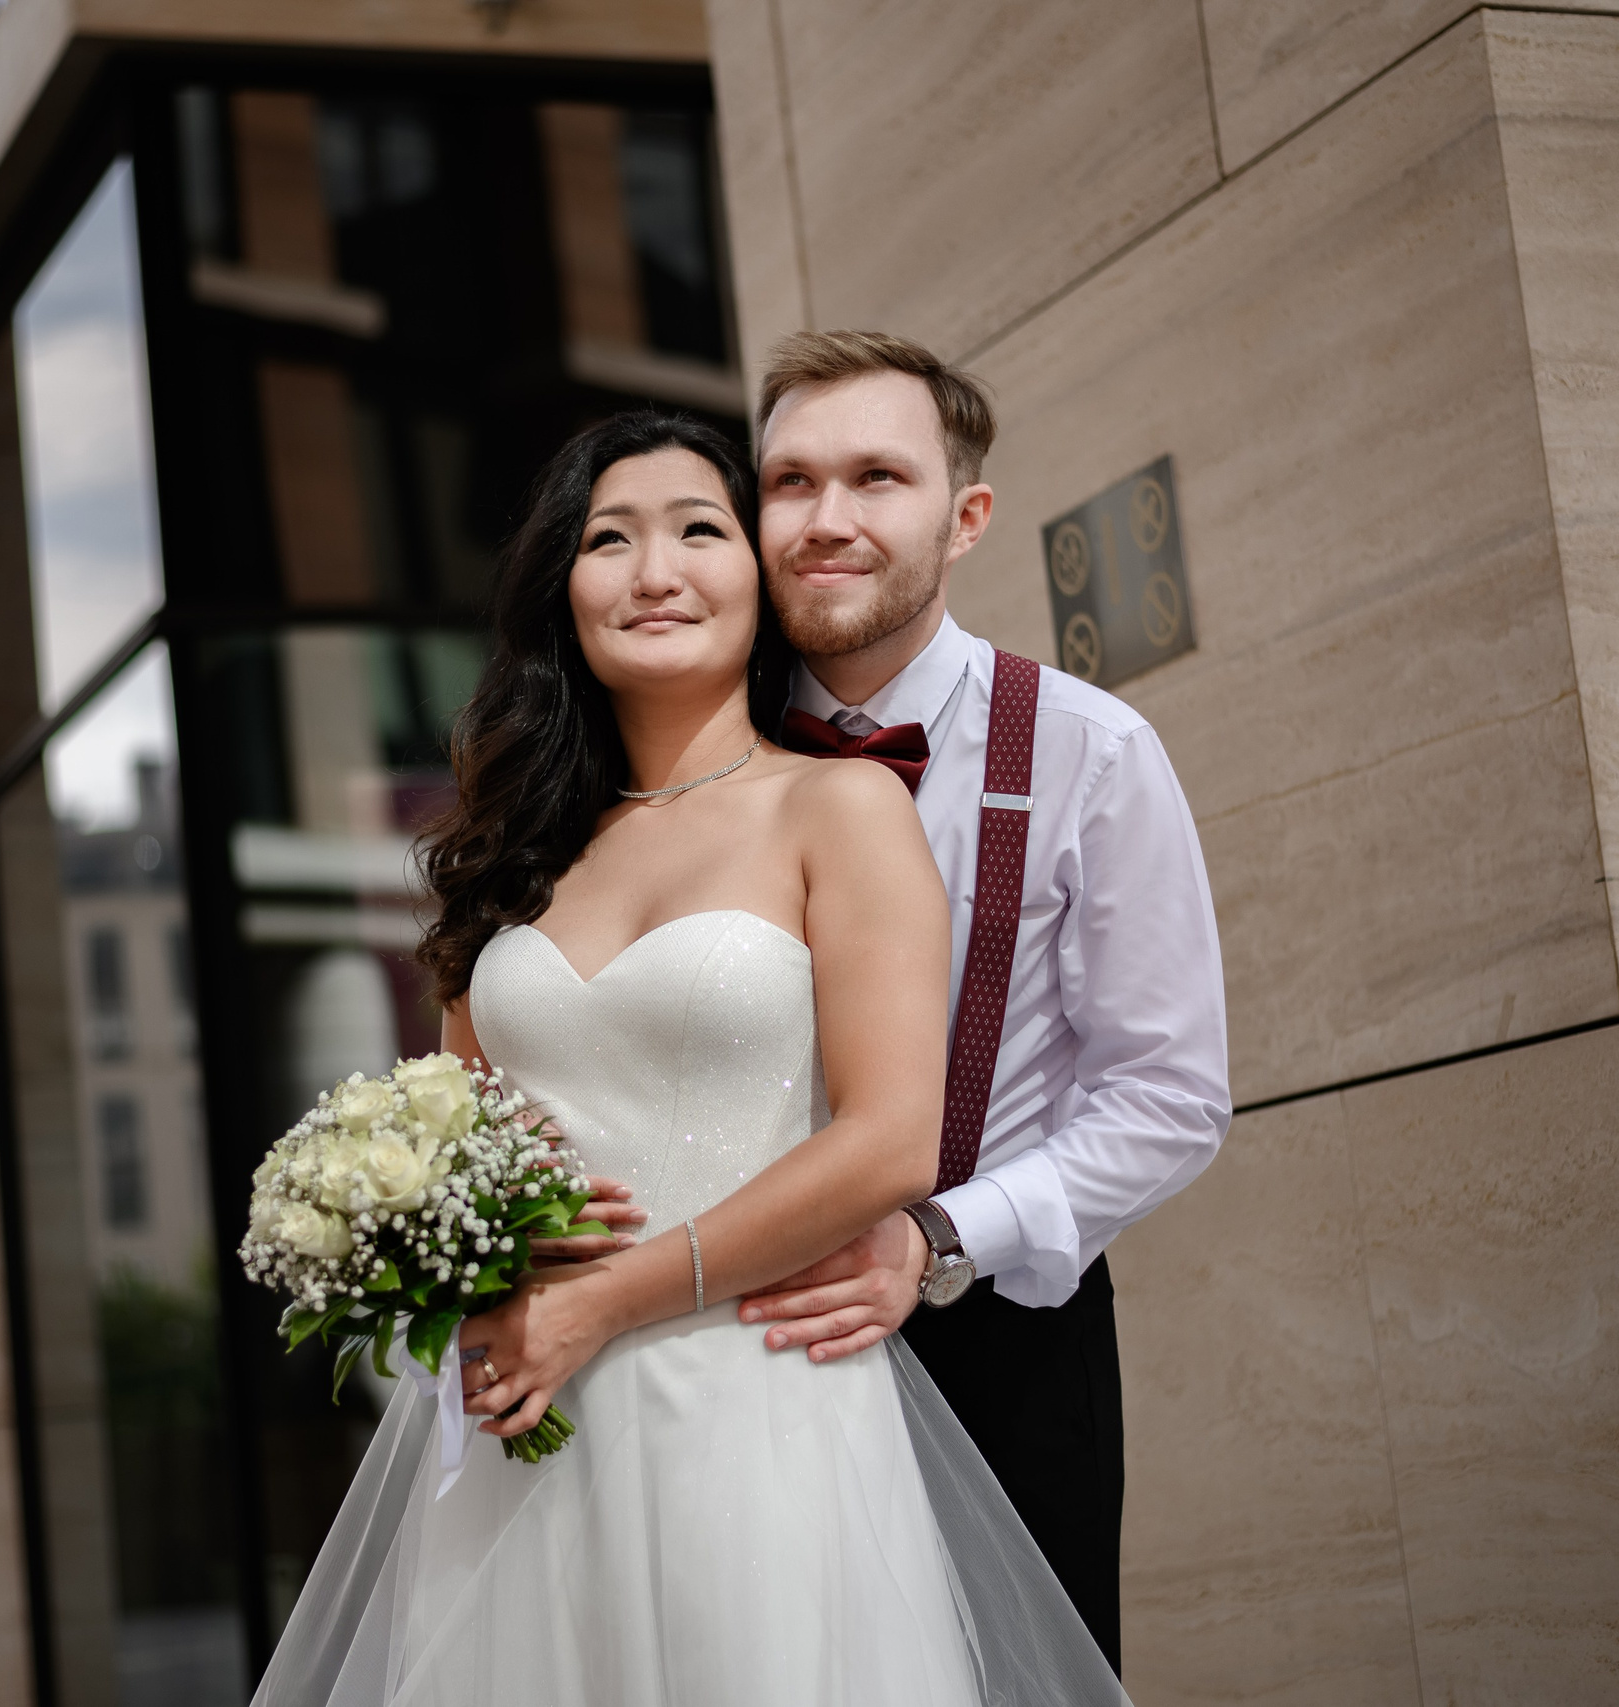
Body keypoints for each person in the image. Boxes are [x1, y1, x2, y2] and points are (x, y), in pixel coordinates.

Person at [251, 411, 1125, 1706]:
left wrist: (605, 1302)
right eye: (610, 539)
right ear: (566, 590)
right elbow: (462, 1139)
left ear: (759, 585)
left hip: (762, 1402)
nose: (655, 571)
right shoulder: (506, 857)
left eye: (699, 531)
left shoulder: (839, 807)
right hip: (537, 1438)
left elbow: (893, 1138)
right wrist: (470, 1279)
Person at [730, 331, 1232, 1673]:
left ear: (965, 519)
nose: (828, 520)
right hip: (721, 1351)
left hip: (997, 1343)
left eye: (877, 478)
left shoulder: (1092, 752)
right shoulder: (683, 758)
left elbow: (1171, 1099)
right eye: (790, 482)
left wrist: (940, 1239)